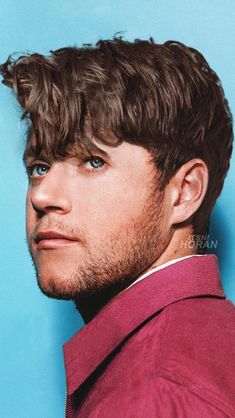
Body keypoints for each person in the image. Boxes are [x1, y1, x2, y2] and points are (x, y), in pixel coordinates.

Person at [1, 38, 235, 417]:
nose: (43, 196)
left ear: (184, 193)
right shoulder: (208, 343)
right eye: (39, 167)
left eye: (93, 162)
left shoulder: (151, 396)